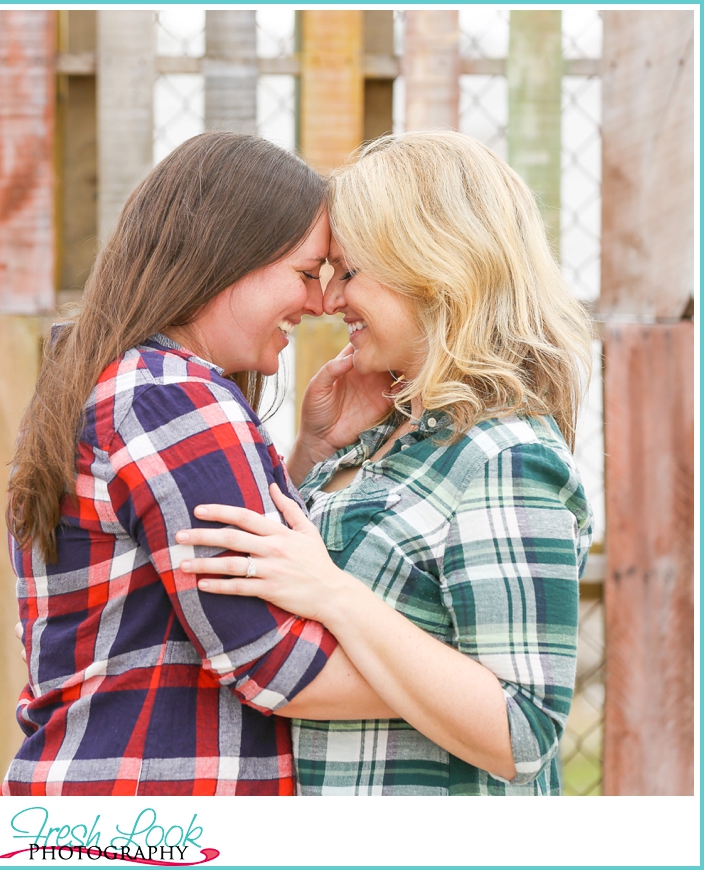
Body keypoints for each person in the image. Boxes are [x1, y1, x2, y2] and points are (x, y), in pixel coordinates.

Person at [175, 130, 594, 795]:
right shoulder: (385, 437)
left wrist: (334, 594)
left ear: (432, 267)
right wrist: (315, 453)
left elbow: (523, 730)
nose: (330, 299)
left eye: (350, 271)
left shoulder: (504, 457)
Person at [0, 132, 395, 796]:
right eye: (306, 273)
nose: (322, 303)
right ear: (226, 259)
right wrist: (481, 699)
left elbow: (178, 580)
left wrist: (308, 455)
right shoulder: (170, 395)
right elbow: (274, 661)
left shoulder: (115, 379)